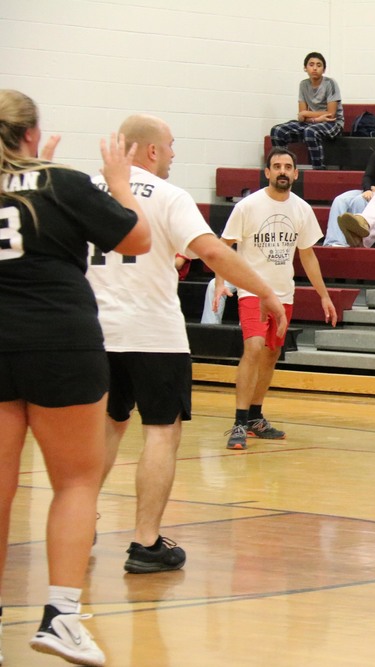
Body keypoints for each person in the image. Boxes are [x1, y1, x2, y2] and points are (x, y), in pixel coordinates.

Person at [88, 114, 288, 574]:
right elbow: (214, 252)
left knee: (108, 423)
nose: (175, 154)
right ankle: (145, 543)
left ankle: (81, 518)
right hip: (153, 333)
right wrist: (266, 292)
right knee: (161, 430)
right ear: (151, 150)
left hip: (96, 331)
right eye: (172, 146)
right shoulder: (167, 195)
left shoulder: (84, 189)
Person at [0, 89, 151, 666]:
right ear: (33, 134)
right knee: (76, 482)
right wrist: (116, 181)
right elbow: (135, 239)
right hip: (60, 342)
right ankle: (61, 617)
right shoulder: (61, 183)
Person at [217, 148, 336, 450]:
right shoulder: (247, 206)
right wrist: (220, 282)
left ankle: (256, 417)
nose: (282, 171)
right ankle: (239, 421)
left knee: (270, 354)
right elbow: (223, 245)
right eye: (276, 166)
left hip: (284, 294)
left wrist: (324, 296)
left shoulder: (301, 209)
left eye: (288, 166)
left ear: (296, 173)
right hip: (252, 292)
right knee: (253, 347)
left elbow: (307, 256)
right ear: (267, 172)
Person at [323, 128, 375, 246]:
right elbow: (368, 176)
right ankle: (334, 242)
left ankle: (356, 241)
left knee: (359, 201)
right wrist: (367, 190)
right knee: (340, 199)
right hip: (371, 191)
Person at [269, 52, 344, 170]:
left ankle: (318, 171)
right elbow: (301, 115)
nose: (315, 68)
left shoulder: (330, 83)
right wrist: (315, 119)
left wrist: (308, 116)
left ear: (324, 69)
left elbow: (331, 113)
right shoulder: (303, 84)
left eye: (319, 65)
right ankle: (283, 168)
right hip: (312, 122)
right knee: (277, 130)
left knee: (310, 132)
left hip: (333, 123)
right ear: (305, 68)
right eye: (311, 64)